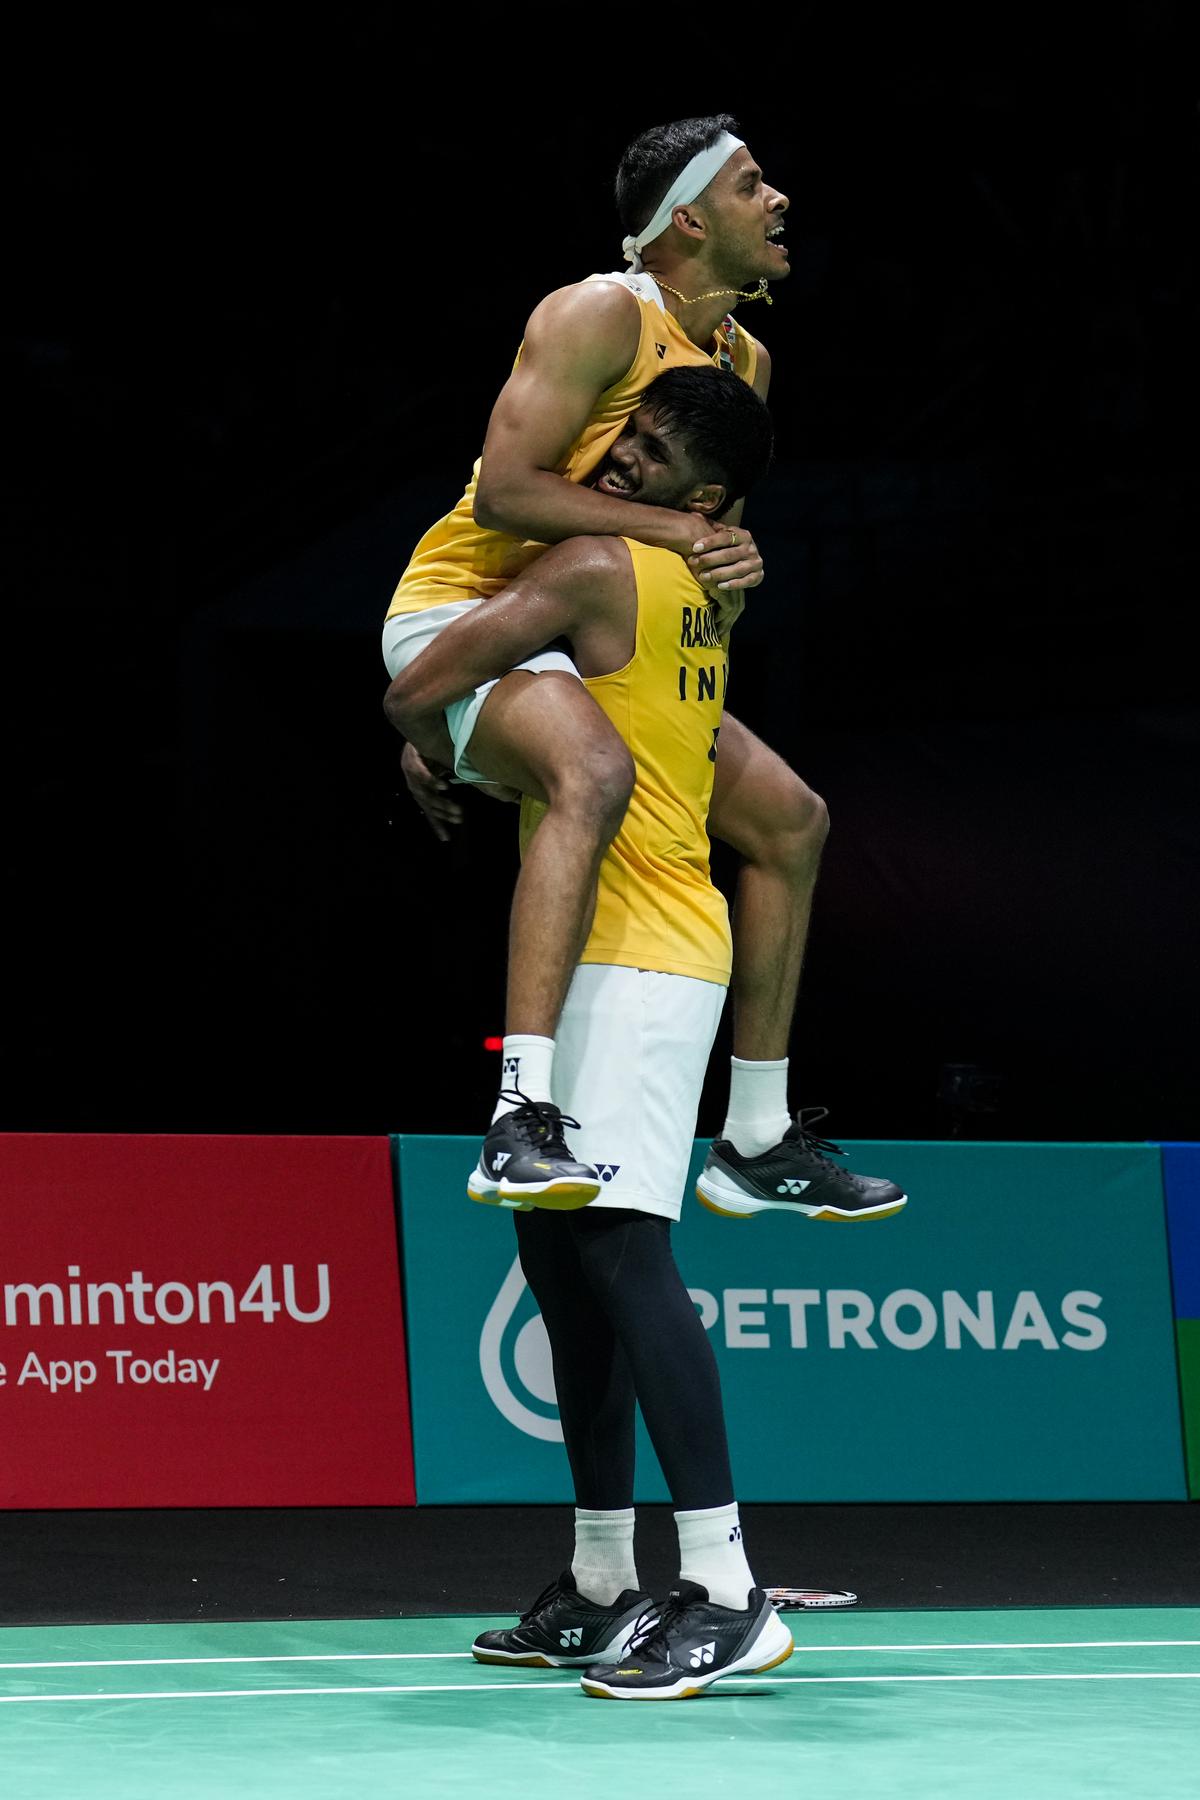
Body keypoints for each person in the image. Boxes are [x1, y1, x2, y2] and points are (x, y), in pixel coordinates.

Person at [384, 112, 903, 1221]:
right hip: (472, 606)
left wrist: (733, 556)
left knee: (791, 822)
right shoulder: (595, 314)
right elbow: (507, 494)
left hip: (595, 631)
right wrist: (443, 712)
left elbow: (703, 537)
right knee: (593, 771)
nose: (780, 203)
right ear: (687, 218)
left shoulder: (744, 360)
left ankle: (757, 1135)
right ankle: (520, 1116)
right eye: (754, 184)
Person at [387, 364, 808, 1697]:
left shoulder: (594, 568)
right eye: (630, 431)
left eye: (662, 452)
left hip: (646, 959)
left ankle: (730, 1590)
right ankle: (607, 1580)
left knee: (626, 1263)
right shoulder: (694, 585)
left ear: (711, 499)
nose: (626, 458)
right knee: (567, 1283)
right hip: (585, 956)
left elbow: (424, 680)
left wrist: (436, 736)